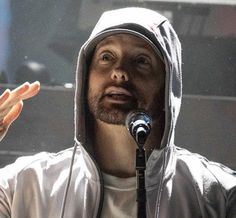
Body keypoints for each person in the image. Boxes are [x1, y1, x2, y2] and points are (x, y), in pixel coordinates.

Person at [0, 7, 235, 218]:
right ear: (85, 76)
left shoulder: (219, 196)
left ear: (168, 84)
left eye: (141, 60)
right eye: (106, 57)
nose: (120, 72)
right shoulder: (22, 186)